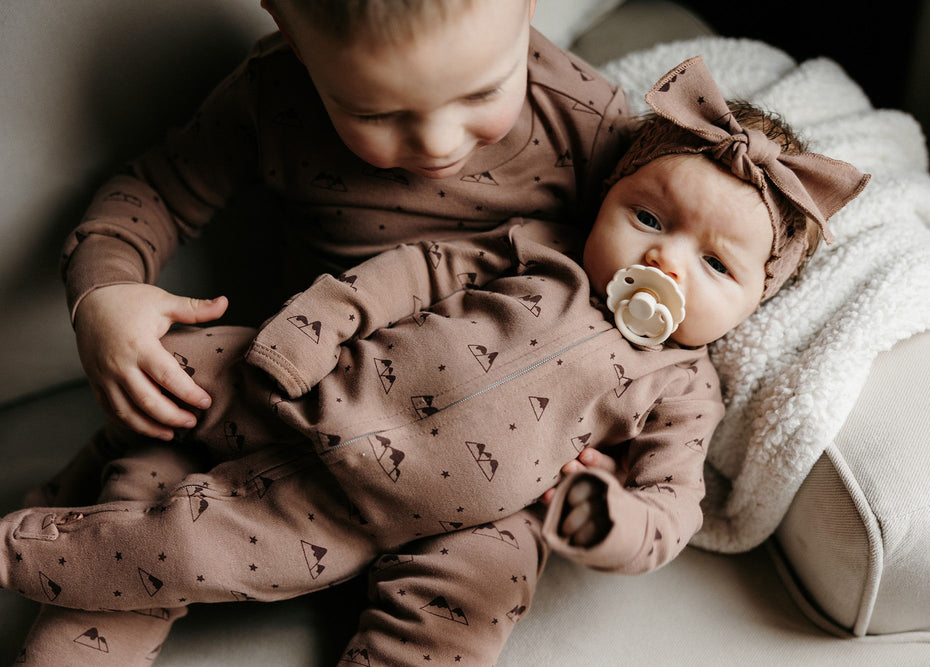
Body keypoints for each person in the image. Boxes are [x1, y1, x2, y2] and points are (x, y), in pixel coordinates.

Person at [3, 55, 869, 665]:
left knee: (443, 599)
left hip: (465, 507)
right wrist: (303, 330)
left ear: (756, 300)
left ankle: (35, 547)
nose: (665, 261)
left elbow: (672, 502)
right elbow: (415, 270)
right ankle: (70, 500)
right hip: (329, 378)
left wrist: (611, 521)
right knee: (171, 381)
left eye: (715, 264)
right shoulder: (541, 247)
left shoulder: (682, 384)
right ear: (609, 196)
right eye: (647, 218)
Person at [14, 0, 629, 663]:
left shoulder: (587, 118)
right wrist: (104, 296)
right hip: (283, 395)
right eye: (378, 113)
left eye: (482, 93)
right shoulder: (271, 95)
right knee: (141, 505)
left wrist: (614, 449)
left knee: (473, 593)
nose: (438, 141)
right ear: (291, 31)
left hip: (487, 452)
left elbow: (666, 273)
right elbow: (155, 191)